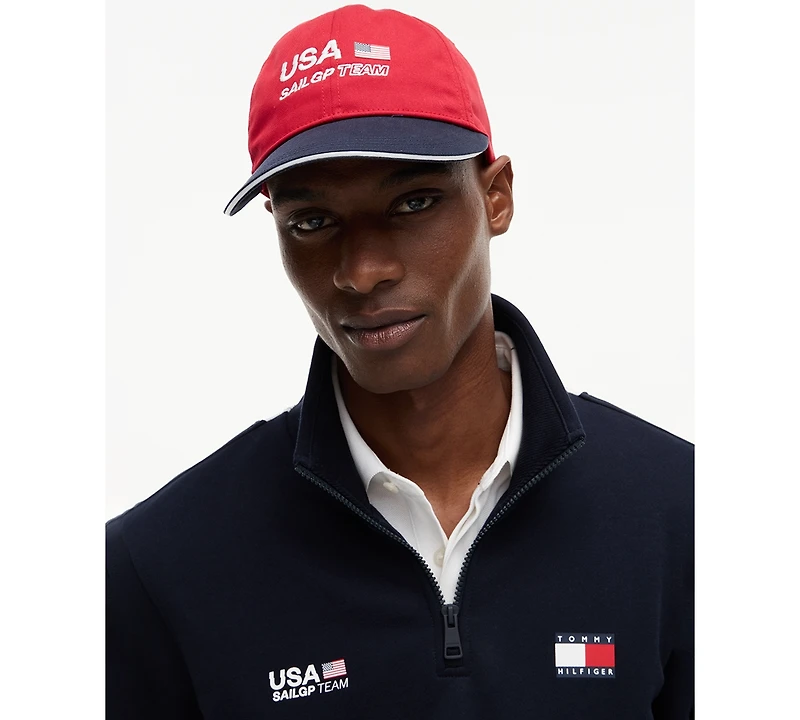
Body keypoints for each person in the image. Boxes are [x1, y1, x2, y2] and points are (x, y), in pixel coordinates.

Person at [106, 4, 693, 718]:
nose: (363, 271)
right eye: (313, 222)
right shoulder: (160, 567)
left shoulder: (684, 516)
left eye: (414, 202)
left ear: (496, 197)